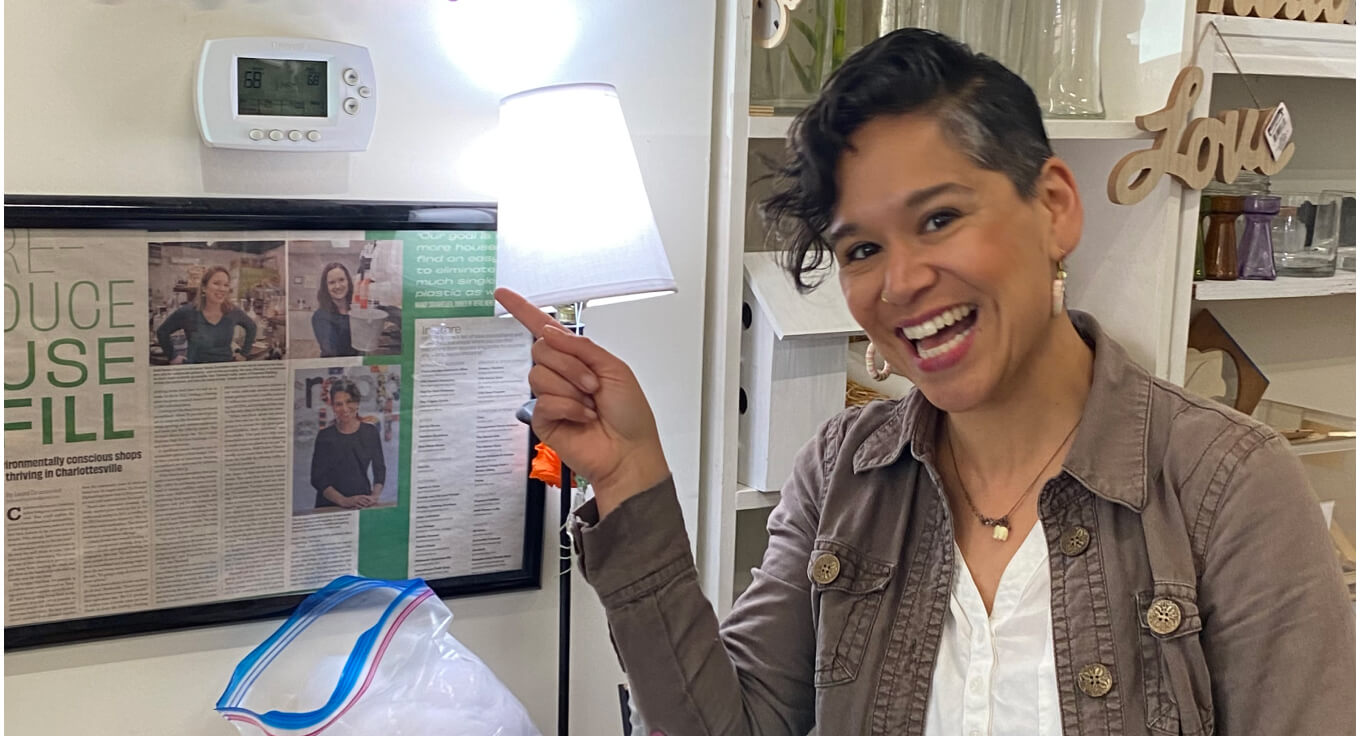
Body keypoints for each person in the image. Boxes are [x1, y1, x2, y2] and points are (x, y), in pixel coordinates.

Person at [495, 29, 1353, 736]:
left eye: (939, 219)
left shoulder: (1226, 487)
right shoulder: (843, 472)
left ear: (1054, 206)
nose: (899, 283)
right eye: (862, 249)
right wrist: (630, 476)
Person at [156, 266, 257, 364]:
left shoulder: (232, 311)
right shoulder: (188, 312)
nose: (222, 289)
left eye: (226, 285)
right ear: (204, 288)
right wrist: (172, 356)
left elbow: (252, 327)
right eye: (216, 283)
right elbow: (162, 332)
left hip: (224, 370)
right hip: (196, 372)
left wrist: (244, 353)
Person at [310, 378, 385, 510]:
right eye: (338, 404)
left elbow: (379, 470)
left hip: (362, 502)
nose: (344, 409)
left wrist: (374, 496)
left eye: (349, 401)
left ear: (357, 403)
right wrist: (344, 501)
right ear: (332, 406)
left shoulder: (370, 432)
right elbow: (317, 478)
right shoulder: (325, 436)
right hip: (330, 505)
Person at [312, 262, 359, 357]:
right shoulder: (321, 316)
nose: (338, 286)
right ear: (326, 287)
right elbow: (331, 351)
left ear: (348, 281)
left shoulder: (357, 309)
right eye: (332, 282)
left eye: (341, 280)